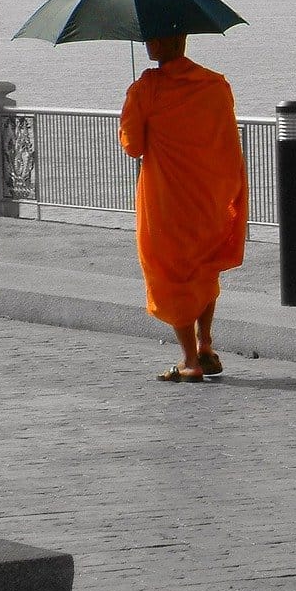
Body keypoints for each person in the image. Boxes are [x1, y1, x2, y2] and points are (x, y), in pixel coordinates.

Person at [119, 33, 248, 383]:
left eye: (150, 37)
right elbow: (226, 141)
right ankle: (206, 344)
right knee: (204, 269)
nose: (147, 42)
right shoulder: (216, 85)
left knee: (171, 272)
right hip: (209, 194)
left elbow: (132, 145)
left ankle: (189, 359)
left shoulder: (146, 89)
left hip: (166, 200)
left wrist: (133, 107)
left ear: (159, 44)